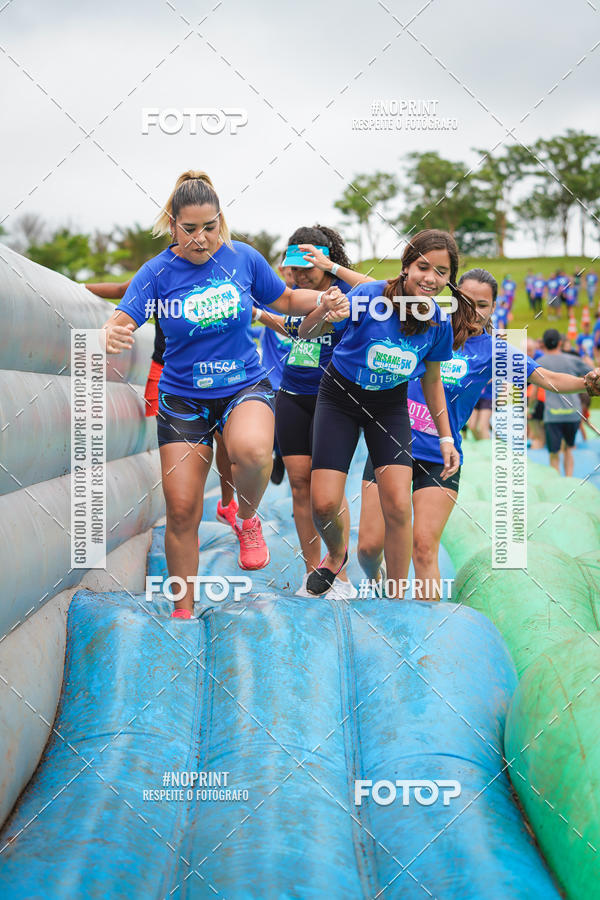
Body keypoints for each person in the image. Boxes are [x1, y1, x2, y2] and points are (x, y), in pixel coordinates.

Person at [102, 170, 345, 618]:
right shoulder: (157, 273)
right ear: (172, 225)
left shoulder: (243, 259)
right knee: (181, 509)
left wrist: (323, 301)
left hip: (242, 385)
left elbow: (287, 300)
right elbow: (124, 316)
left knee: (252, 453)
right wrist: (111, 332)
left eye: (210, 227)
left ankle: (247, 519)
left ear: (221, 221)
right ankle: (183, 612)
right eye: (190, 229)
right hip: (184, 400)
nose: (201, 239)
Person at [356, 270, 600, 594]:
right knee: (368, 548)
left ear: (494, 307)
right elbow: (379, 292)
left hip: (440, 458)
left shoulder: (493, 350)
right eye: (465, 302)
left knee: (425, 548)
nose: (472, 311)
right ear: (452, 298)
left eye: (482, 305)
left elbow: (545, 377)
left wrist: (587, 383)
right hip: (391, 445)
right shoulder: (424, 324)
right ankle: (378, 580)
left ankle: (428, 628)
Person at [306, 229, 469, 600]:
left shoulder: (438, 322)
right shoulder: (368, 296)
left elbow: (432, 382)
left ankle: (396, 597)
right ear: (407, 266)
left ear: (449, 280)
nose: (431, 278)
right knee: (324, 503)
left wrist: (447, 438)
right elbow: (307, 330)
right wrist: (324, 311)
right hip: (340, 398)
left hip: (388, 407)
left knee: (397, 502)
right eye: (423, 267)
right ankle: (335, 554)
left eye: (441, 272)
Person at [257, 227, 373, 599]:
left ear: (328, 262)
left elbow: (384, 288)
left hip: (334, 400)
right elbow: (292, 329)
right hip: (292, 395)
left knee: (329, 488)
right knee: (299, 485)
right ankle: (313, 574)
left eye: (308, 267)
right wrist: (260, 312)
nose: (299, 274)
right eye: (293, 268)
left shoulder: (352, 296)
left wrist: (334, 271)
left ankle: (337, 570)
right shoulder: (294, 298)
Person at [530, 328, 595, 477]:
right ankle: (569, 478)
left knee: (554, 453)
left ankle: (557, 482)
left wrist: (531, 409)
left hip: (553, 415)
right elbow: (592, 373)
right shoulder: (572, 360)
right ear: (560, 342)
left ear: (543, 344)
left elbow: (533, 393)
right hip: (573, 413)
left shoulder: (539, 363)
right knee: (568, 449)